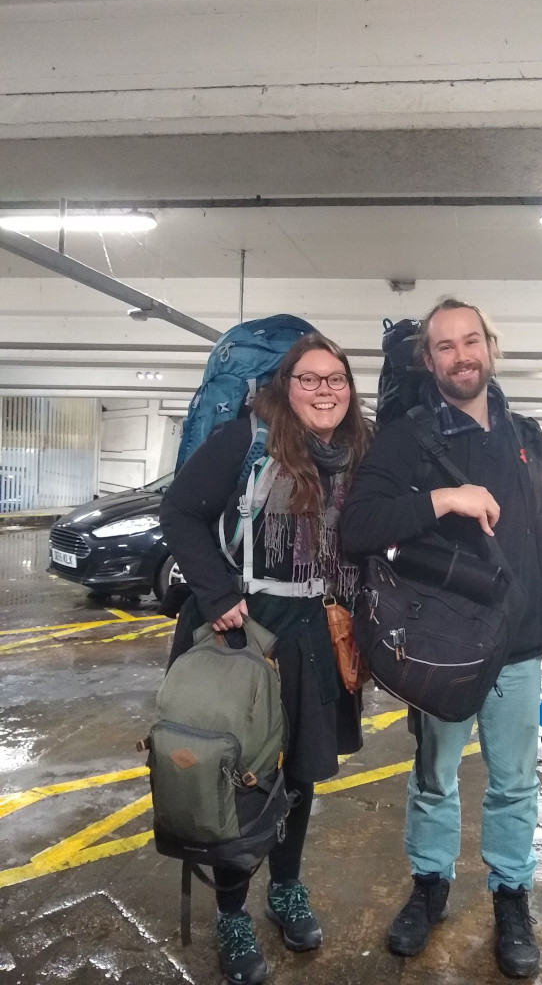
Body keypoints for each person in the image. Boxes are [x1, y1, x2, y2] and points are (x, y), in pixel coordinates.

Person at [340, 298, 542, 978]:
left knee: (513, 783)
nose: (460, 355)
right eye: (444, 346)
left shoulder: (526, 434)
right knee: (433, 778)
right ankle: (430, 886)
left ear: (491, 347)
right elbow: (359, 526)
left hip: (522, 644)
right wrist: (443, 500)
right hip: (443, 649)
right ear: (428, 360)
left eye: (469, 341)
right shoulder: (407, 438)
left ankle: (511, 896)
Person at [160, 332, 372, 985]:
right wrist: (217, 591)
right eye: (309, 379)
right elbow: (180, 512)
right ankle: (231, 912)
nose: (324, 390)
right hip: (239, 631)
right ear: (286, 387)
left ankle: (284, 888)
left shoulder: (360, 450)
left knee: (300, 777)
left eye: (335, 379)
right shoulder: (247, 440)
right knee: (233, 777)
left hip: (312, 631)